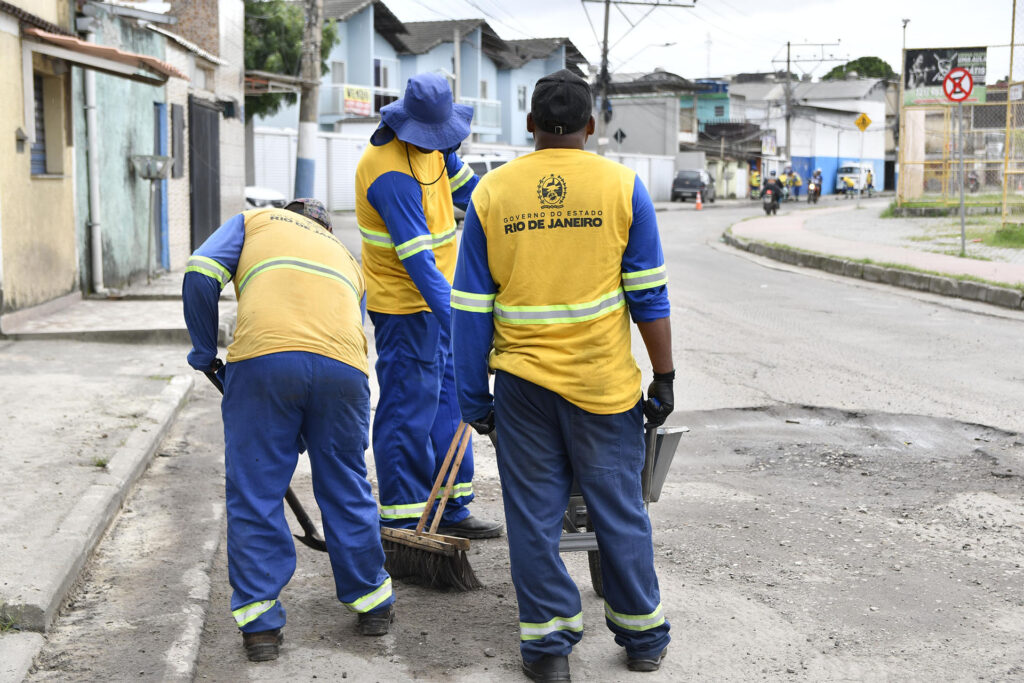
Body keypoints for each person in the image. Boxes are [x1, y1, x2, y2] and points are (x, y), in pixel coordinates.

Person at [452, 69, 674, 682]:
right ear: (590, 126)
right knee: (619, 511)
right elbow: (649, 297)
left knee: (533, 519)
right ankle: (642, 638)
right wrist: (664, 377)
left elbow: (470, 309)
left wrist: (473, 398)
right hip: (603, 387)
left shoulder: (492, 194)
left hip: (522, 391)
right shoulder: (623, 188)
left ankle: (549, 651)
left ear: (529, 125)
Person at [182, 199, 395, 662]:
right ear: (324, 228)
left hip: (264, 361)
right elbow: (345, 335)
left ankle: (260, 627)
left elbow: (200, 271)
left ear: (290, 213)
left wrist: (203, 350)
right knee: (346, 481)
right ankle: (373, 602)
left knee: (256, 490)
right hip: (345, 371)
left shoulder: (255, 220)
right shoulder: (346, 258)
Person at [355, 73, 502, 540]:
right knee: (408, 410)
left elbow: (476, 197)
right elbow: (419, 265)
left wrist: (516, 223)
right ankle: (403, 518)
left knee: (451, 404)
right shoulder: (389, 175)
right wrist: (466, 327)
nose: (439, 144)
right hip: (404, 309)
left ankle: (451, 507)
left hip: (442, 303)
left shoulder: (435, 149)